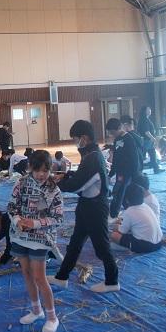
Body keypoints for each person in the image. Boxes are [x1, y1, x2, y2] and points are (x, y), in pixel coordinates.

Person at [48, 120, 119, 293]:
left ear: (84, 138)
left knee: (101, 247)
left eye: (75, 139)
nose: (75, 142)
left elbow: (78, 185)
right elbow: (82, 175)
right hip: (87, 205)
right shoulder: (90, 154)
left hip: (95, 207)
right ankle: (62, 277)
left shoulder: (93, 157)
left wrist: (58, 183)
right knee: (75, 244)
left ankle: (112, 281)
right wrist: (66, 175)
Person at [8, 150, 63, 332]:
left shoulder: (53, 189)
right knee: (26, 273)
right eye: (37, 170)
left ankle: (52, 317)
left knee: (39, 277)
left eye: (45, 170)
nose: (41, 174)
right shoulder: (21, 183)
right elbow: (12, 206)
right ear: (30, 167)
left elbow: (58, 218)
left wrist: (36, 223)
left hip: (41, 238)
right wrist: (18, 221)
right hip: (20, 236)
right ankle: (36, 310)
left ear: (50, 169)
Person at [111, 184, 162, 253]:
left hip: (147, 246)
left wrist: (116, 225)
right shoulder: (145, 206)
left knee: (114, 235)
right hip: (159, 243)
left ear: (127, 200)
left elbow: (121, 231)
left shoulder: (129, 211)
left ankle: (129, 248)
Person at [106, 118, 140, 219]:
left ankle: (113, 214)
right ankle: (128, 211)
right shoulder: (117, 139)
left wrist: (135, 174)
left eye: (113, 132)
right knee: (122, 193)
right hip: (120, 172)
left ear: (119, 128)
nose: (112, 135)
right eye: (110, 133)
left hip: (128, 172)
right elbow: (116, 158)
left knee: (118, 192)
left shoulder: (129, 139)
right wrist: (111, 173)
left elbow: (135, 158)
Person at [137, 106, 164, 174]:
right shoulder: (144, 119)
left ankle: (156, 169)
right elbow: (146, 132)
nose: (150, 110)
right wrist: (153, 139)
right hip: (146, 140)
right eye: (148, 109)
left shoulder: (146, 119)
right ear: (144, 111)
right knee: (142, 156)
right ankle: (139, 171)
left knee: (152, 154)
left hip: (148, 140)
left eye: (150, 109)